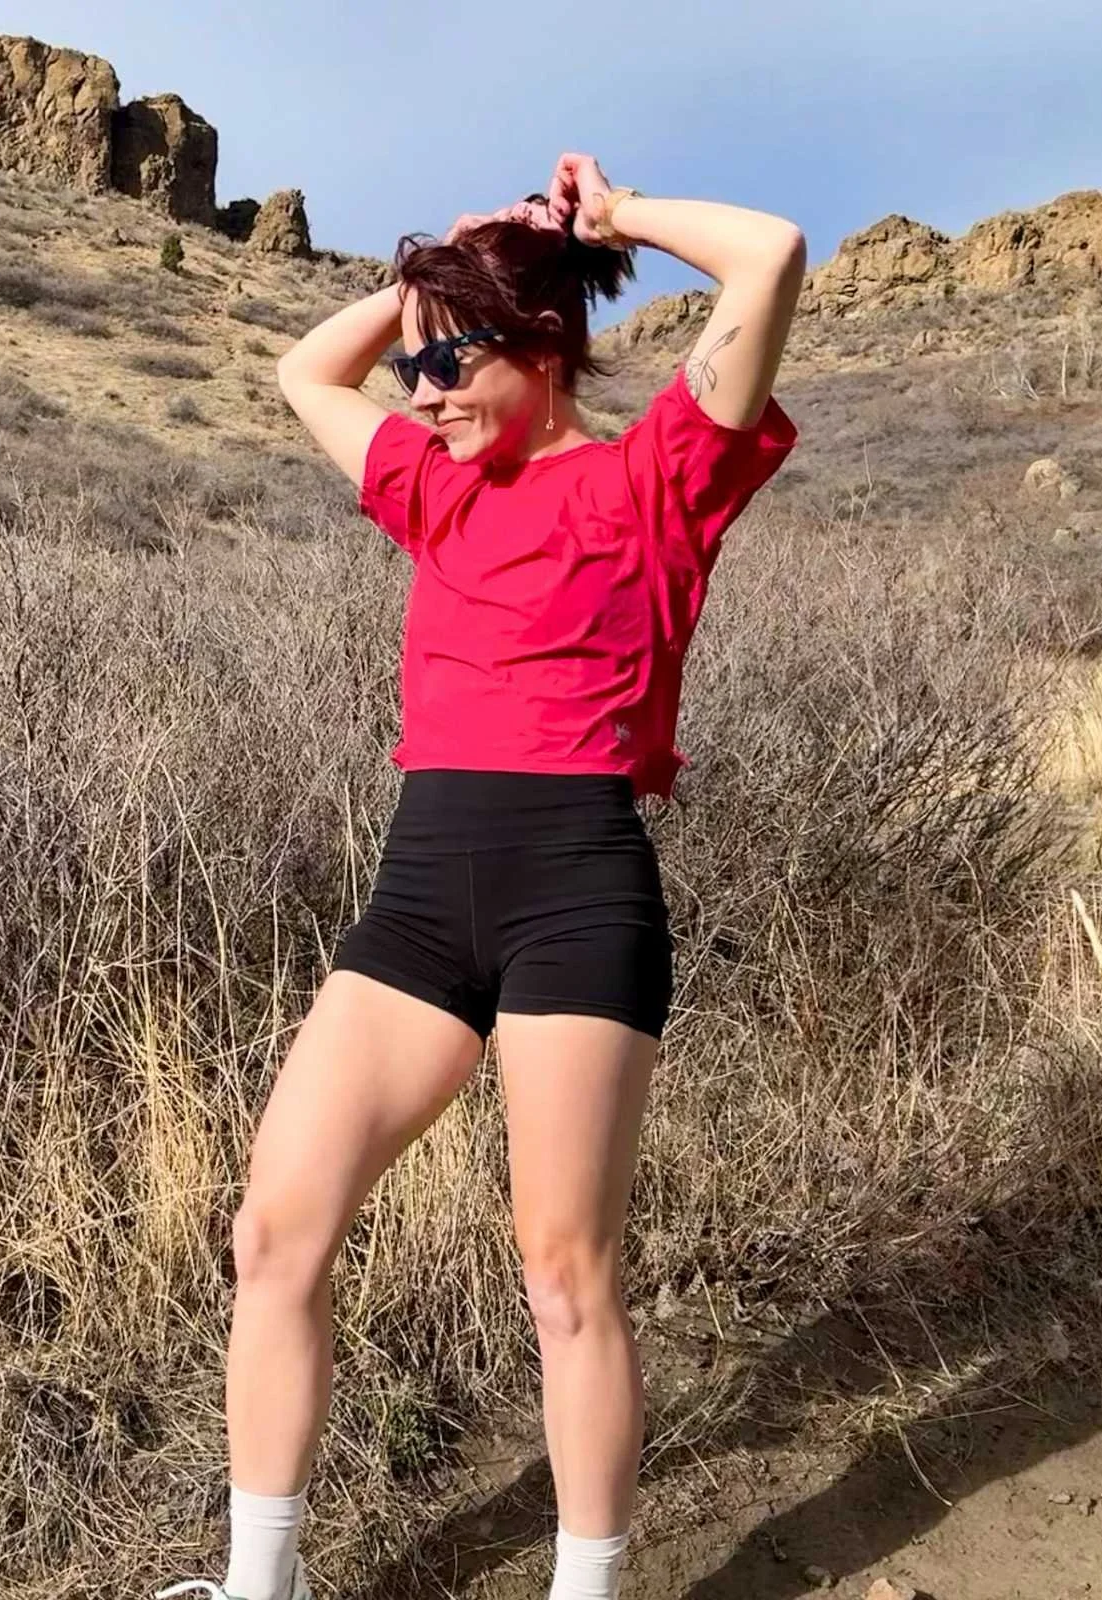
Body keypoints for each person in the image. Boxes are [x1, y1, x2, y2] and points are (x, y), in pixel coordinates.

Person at [158, 151, 805, 1600]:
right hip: (421, 892)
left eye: (457, 358)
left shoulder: (662, 479)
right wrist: (435, 277)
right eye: (420, 357)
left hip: (578, 888)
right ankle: (259, 1585)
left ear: (550, 348)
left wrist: (609, 221)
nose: (424, 384)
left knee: (564, 1276)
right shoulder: (436, 488)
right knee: (273, 1230)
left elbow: (767, 252)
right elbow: (299, 376)